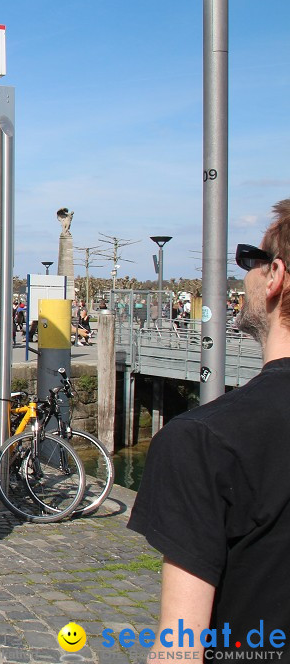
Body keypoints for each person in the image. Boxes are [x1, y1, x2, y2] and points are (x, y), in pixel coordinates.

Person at [128, 200, 290, 658]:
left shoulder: (202, 440)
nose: (246, 275)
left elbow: (181, 643)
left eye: (250, 261)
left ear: (275, 275)